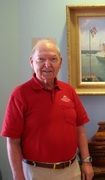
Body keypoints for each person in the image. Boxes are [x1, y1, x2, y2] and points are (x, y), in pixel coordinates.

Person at [1, 39, 94, 180]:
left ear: (60, 63)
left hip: (72, 170)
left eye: (53, 59)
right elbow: (12, 141)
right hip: (36, 172)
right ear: (31, 62)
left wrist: (86, 162)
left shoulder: (69, 91)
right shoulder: (19, 94)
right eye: (41, 59)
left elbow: (79, 129)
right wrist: (18, 176)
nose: (47, 64)